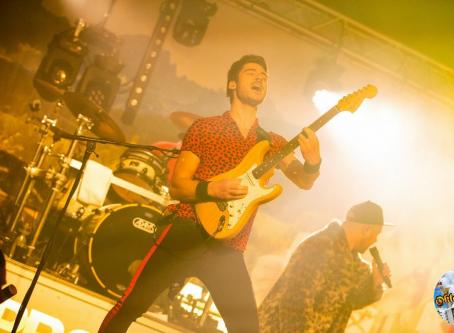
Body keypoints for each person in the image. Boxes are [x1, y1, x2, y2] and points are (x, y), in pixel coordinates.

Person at [99, 54, 322, 332]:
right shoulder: (204, 128)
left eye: (264, 75)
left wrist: (313, 161)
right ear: (232, 85)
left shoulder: (273, 142)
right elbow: (178, 185)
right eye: (252, 72)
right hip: (184, 231)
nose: (260, 78)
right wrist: (211, 188)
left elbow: (303, 180)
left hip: (228, 247)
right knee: (130, 306)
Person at [258, 201, 392, 333]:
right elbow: (294, 302)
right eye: (377, 234)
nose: (375, 240)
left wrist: (375, 282)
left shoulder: (355, 264)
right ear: (366, 230)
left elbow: (350, 302)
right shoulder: (320, 246)